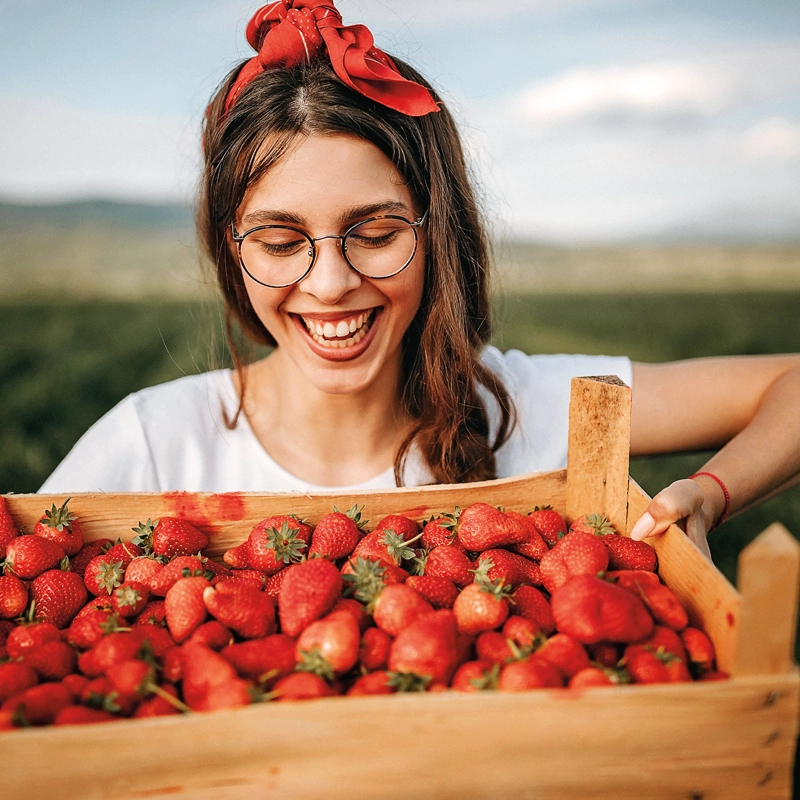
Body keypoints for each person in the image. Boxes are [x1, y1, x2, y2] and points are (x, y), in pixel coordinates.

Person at [40, 0, 800, 562]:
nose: (330, 281)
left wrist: (709, 493)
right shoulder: (153, 443)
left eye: (375, 234)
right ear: (228, 247)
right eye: (279, 240)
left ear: (440, 233)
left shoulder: (530, 411)